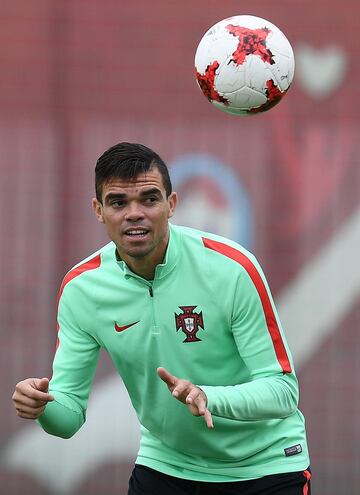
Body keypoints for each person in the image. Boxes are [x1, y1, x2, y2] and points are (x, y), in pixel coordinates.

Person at [12, 142, 311, 495]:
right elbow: (68, 417)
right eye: (118, 202)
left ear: (171, 205)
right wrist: (42, 406)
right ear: (98, 210)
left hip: (266, 467)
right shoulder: (82, 289)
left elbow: (282, 393)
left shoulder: (232, 269)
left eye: (149, 199)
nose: (134, 213)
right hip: (167, 465)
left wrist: (208, 396)